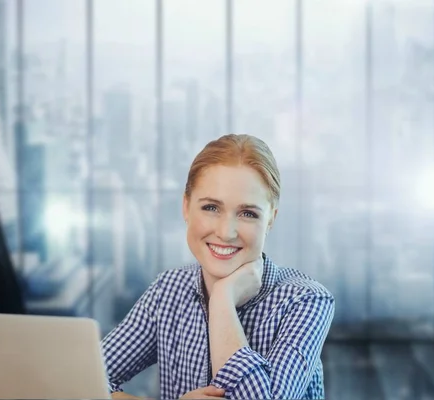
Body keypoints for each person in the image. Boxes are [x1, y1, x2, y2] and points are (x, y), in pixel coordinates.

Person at [101, 134, 335, 399]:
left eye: (248, 213)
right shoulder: (167, 291)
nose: (226, 232)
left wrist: (222, 302)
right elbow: (87, 381)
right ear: (186, 207)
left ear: (271, 219)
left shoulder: (306, 301)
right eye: (211, 207)